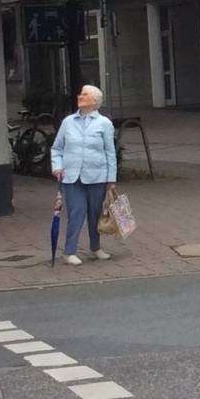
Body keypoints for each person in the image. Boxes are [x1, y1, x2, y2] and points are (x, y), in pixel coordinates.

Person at [51, 84, 118, 266]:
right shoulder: (68, 122)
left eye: (85, 94)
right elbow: (57, 148)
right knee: (77, 213)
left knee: (95, 214)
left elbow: (110, 152)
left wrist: (111, 179)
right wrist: (57, 167)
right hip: (72, 177)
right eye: (80, 93)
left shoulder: (104, 123)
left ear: (95, 101)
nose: (80, 96)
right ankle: (69, 251)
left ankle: (95, 247)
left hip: (97, 176)